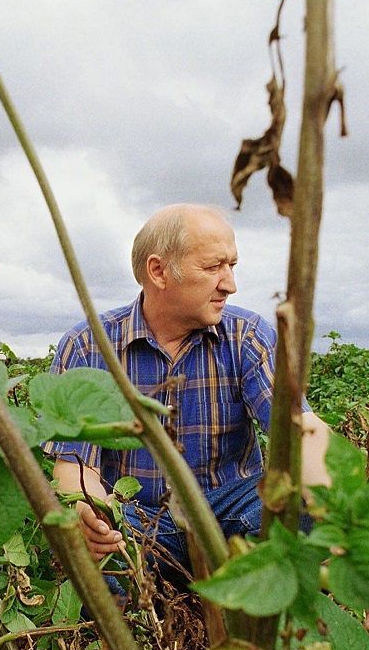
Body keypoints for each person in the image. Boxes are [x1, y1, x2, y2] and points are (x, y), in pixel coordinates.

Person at [42, 204, 331, 585]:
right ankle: (127, 635)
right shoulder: (88, 347)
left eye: (231, 266)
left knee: (300, 505)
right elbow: (75, 467)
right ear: (158, 271)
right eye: (213, 268)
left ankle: (261, 624)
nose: (229, 283)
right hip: (137, 521)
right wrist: (89, 514)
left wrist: (337, 517)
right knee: (86, 550)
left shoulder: (247, 335)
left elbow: (300, 430)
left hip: (231, 514)